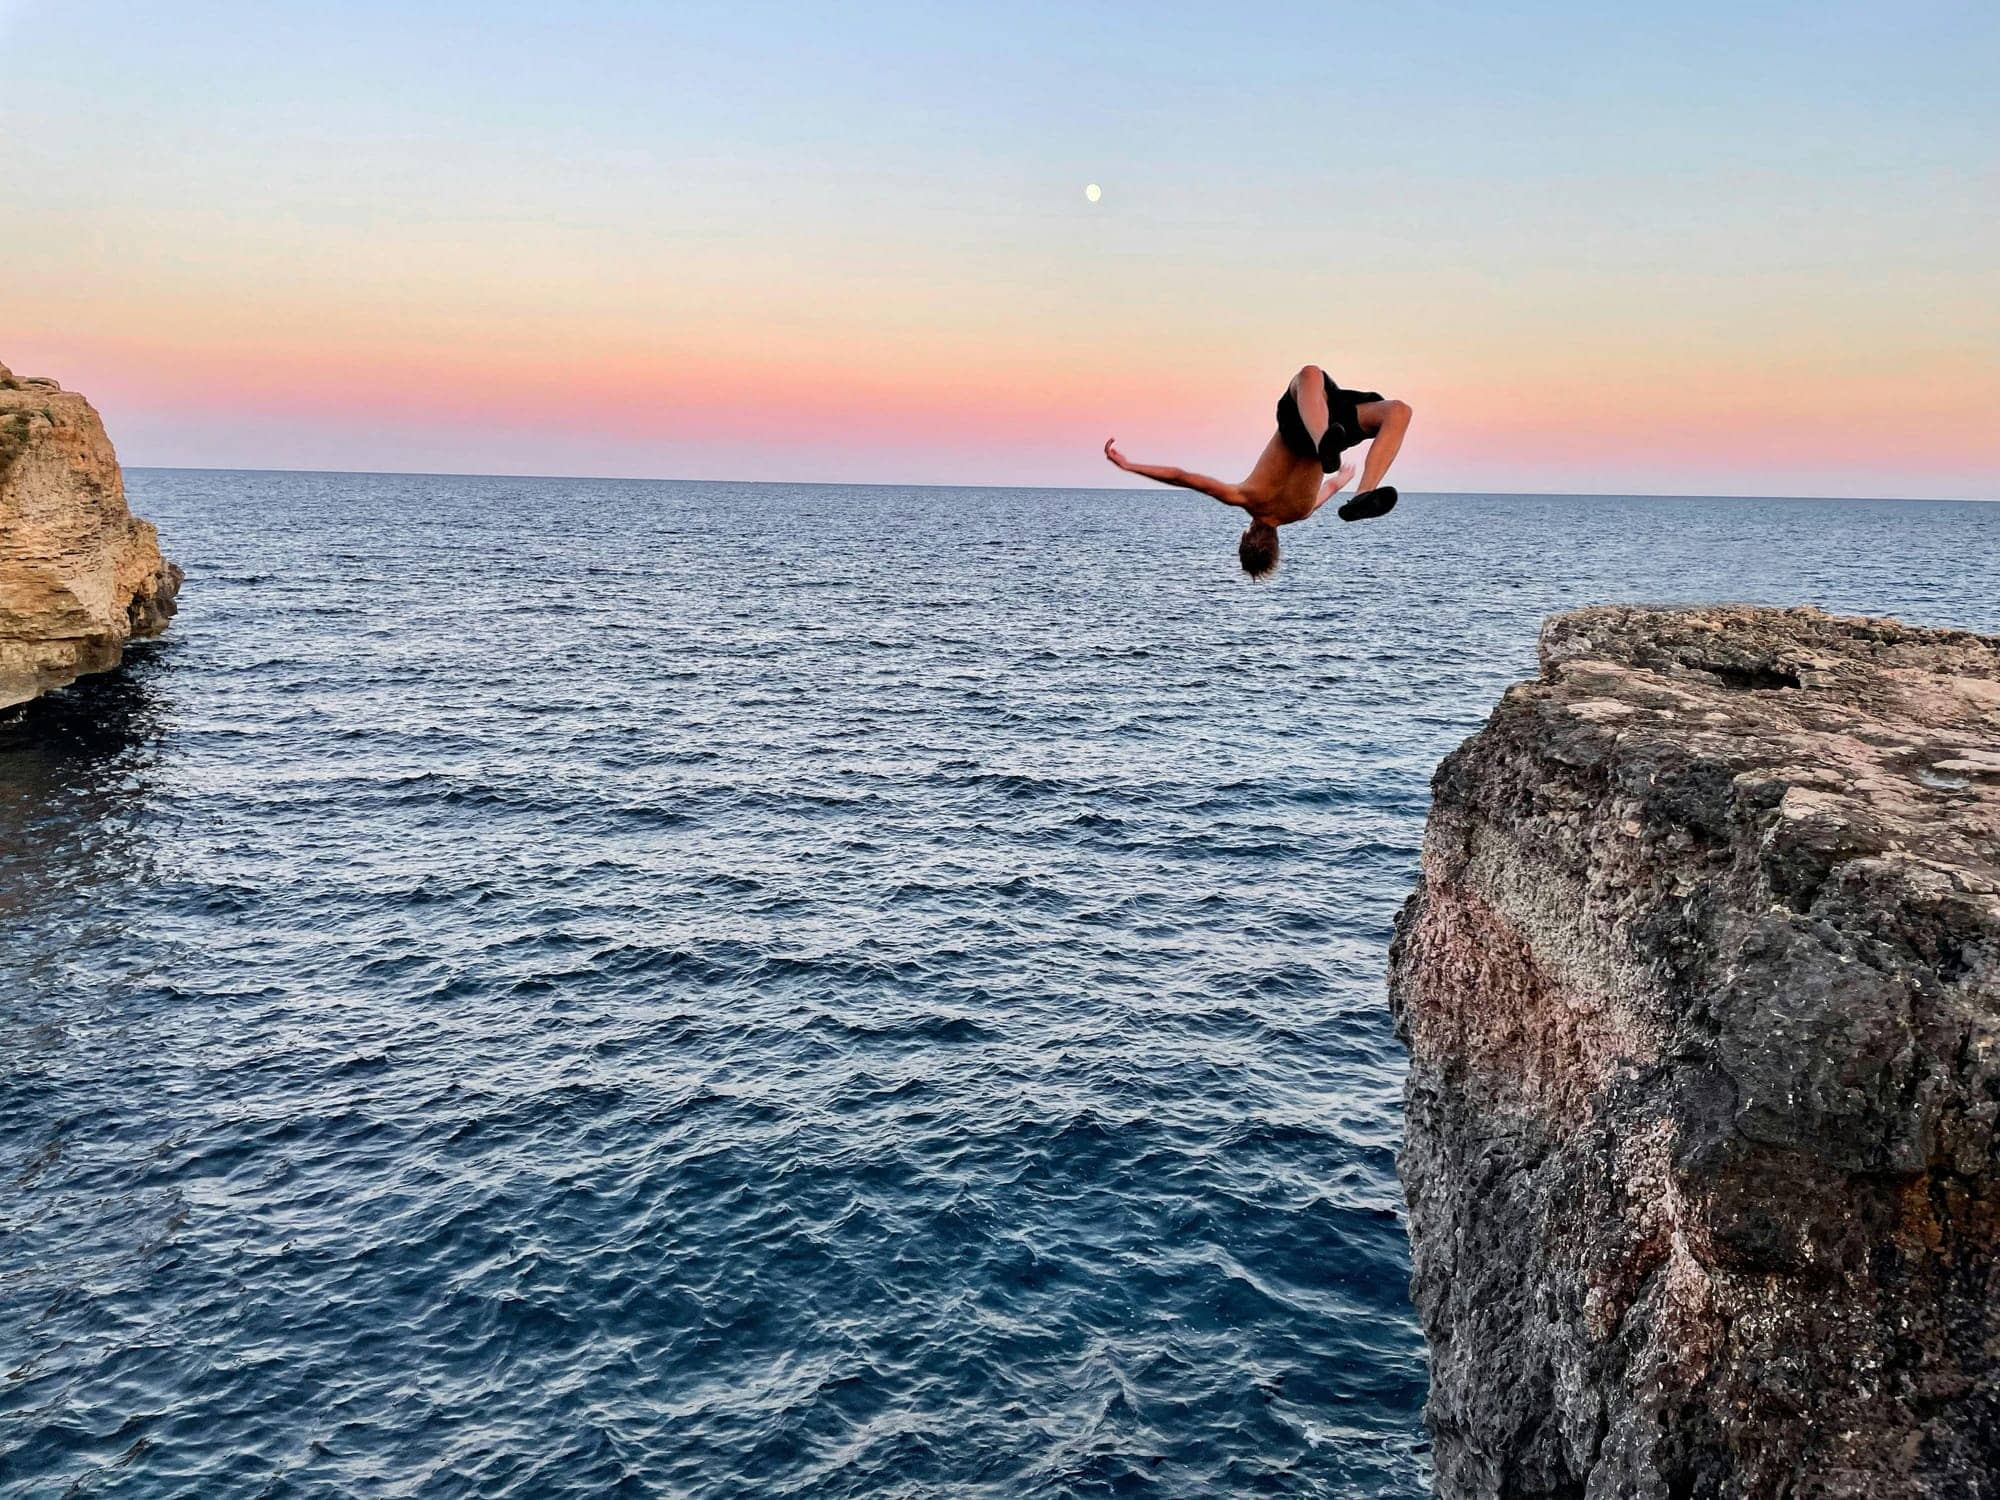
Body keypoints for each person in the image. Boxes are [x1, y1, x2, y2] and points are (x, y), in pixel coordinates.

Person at [1104, 365, 1413, 579]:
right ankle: (1362, 486)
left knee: (1397, 412)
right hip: (1304, 425)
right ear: (1244, 535)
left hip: (1330, 429)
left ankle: (1354, 484)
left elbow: (1330, 488)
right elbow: (1181, 476)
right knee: (1312, 375)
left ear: (1276, 544)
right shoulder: (1244, 497)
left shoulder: (1302, 511)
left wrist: (1341, 479)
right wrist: (1129, 465)